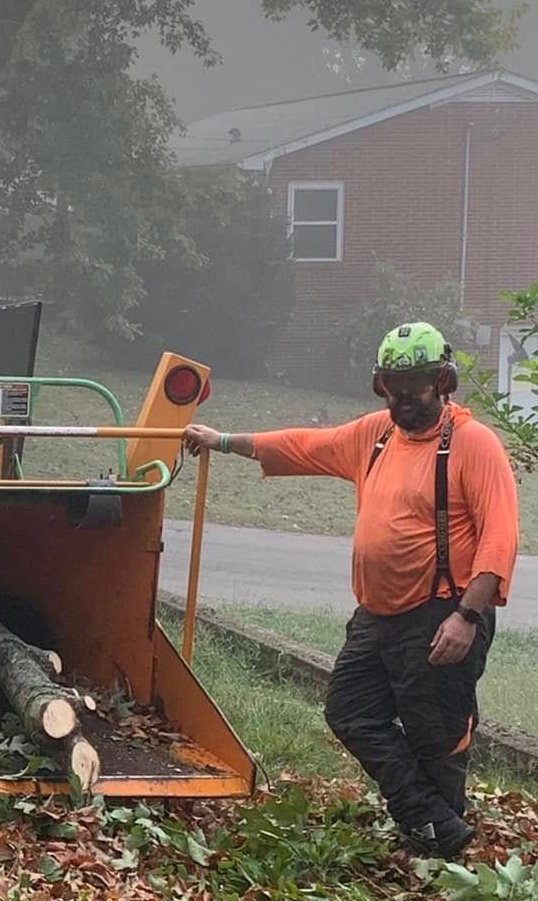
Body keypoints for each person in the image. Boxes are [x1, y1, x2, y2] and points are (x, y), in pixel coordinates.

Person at [185, 321, 520, 856]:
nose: (403, 399)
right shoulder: (377, 435)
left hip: (444, 612)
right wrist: (224, 441)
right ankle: (431, 821)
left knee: (436, 733)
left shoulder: (475, 446)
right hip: (377, 615)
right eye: (392, 386)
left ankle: (440, 842)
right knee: (349, 710)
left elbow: (500, 542)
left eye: (415, 387)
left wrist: (467, 616)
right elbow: (306, 445)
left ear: (444, 381)